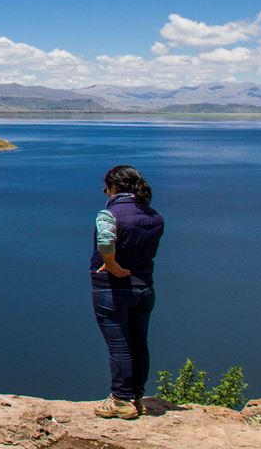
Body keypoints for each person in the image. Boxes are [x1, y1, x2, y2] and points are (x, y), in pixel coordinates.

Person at [91, 165, 164, 420]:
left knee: (119, 346)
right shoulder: (154, 216)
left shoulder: (109, 214)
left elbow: (105, 240)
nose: (105, 192)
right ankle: (137, 398)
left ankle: (120, 400)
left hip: (113, 289)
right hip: (144, 288)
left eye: (106, 188)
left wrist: (110, 264)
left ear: (113, 187)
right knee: (139, 343)